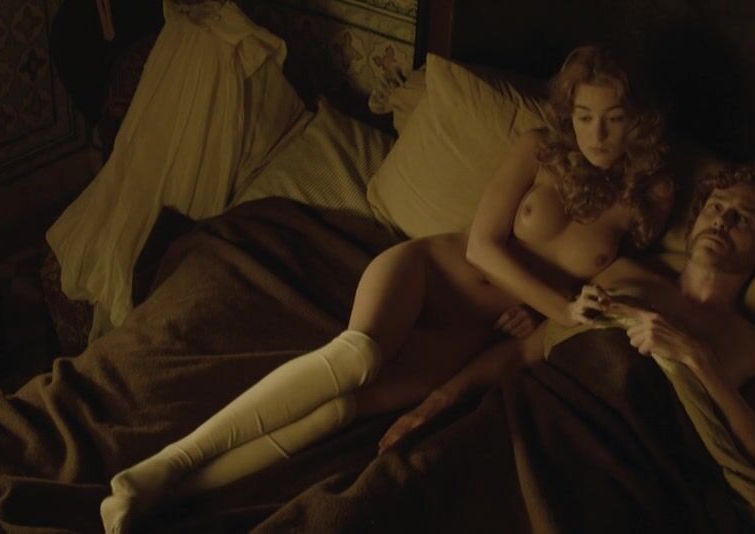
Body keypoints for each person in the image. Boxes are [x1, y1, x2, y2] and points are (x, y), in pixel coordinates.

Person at [101, 44, 675, 532]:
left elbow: (613, 289)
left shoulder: (648, 201)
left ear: (639, 119)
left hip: (466, 335)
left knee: (338, 413)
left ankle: (167, 496)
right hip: (430, 273)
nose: (596, 134)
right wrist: (557, 306)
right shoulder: (537, 148)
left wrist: (543, 318)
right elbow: (482, 246)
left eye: (613, 118)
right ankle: (161, 467)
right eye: (584, 116)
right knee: (357, 357)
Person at [379, 162, 755, 478]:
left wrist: (698, 358)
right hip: (537, 419)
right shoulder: (622, 275)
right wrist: (436, 403)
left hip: (626, 469)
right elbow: (524, 352)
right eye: (715, 207)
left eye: (743, 218)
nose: (722, 221)